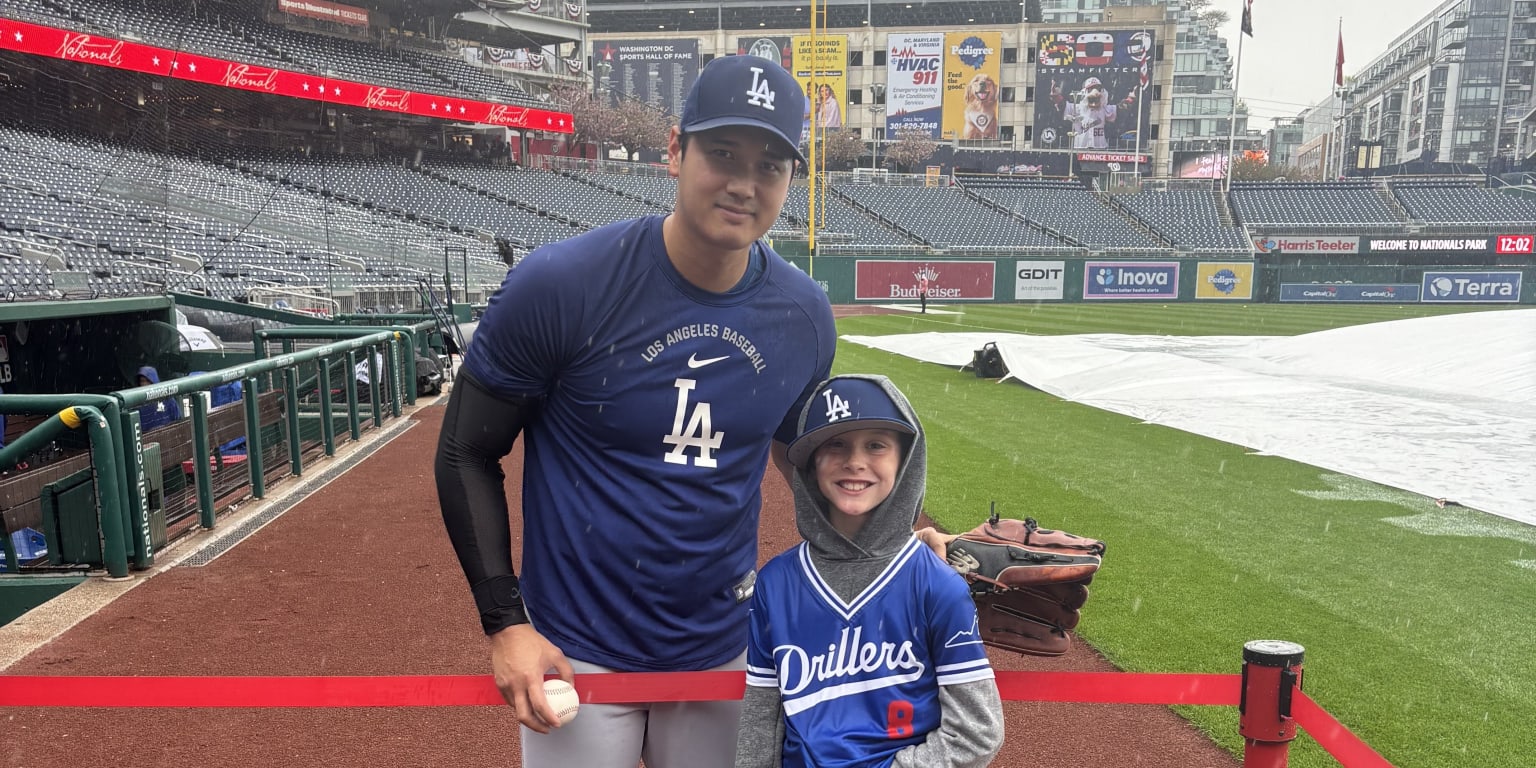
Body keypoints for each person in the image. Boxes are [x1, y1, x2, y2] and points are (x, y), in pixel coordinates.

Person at [434, 54, 837, 768]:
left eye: (770, 165)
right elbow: (468, 448)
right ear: (675, 151)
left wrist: (895, 551)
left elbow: (806, 459)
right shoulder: (563, 283)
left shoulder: (803, 317)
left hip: (722, 646)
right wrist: (506, 624)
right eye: (722, 153)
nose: (744, 183)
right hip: (577, 649)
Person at [736, 374, 1004, 767]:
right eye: (836, 444)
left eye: (876, 445)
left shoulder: (935, 585)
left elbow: (977, 732)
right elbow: (761, 721)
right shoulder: (776, 583)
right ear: (810, 463)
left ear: (904, 459)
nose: (855, 462)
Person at [133, 366, 182, 432]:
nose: (144, 384)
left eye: (148, 381)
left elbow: (178, 421)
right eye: (142, 381)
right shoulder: (137, 406)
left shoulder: (168, 400)